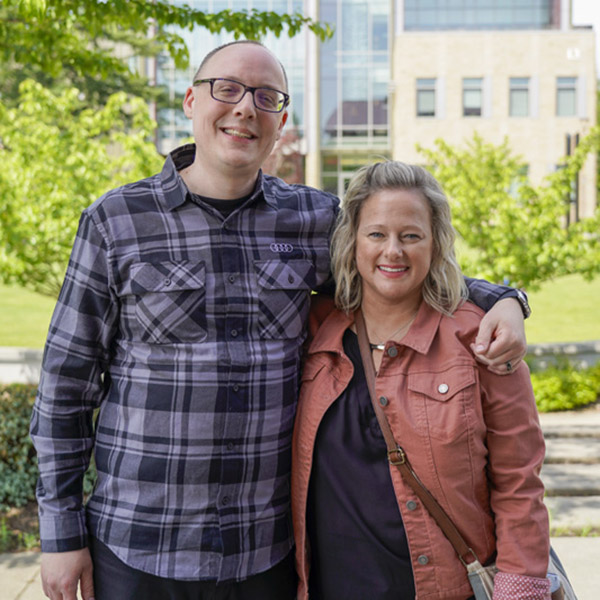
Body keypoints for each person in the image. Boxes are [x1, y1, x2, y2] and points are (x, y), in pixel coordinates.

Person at [31, 41, 530, 600]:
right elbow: (64, 388)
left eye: (266, 97)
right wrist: (60, 534)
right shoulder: (116, 222)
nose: (246, 107)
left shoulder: (313, 220)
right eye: (228, 89)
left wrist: (504, 298)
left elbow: (398, 258)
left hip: (264, 554)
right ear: (191, 101)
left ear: (281, 120)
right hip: (138, 547)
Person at [291, 161, 551, 600]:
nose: (393, 250)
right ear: (352, 240)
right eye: (376, 234)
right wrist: (508, 297)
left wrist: (520, 590)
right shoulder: (314, 327)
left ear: (435, 244)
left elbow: (519, 484)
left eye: (410, 235)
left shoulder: (480, 338)